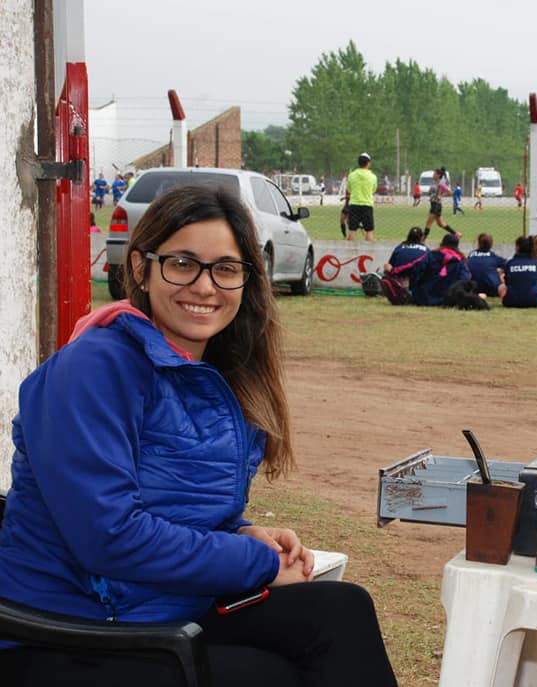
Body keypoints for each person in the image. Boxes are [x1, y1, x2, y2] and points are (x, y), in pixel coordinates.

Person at [0, 184, 397, 686]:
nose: (205, 287)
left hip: (159, 609)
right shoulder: (94, 367)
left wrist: (240, 532)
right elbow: (109, 538)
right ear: (141, 268)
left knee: (341, 611)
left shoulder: (214, 374)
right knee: (271, 676)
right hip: (66, 632)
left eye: (225, 269)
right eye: (183, 263)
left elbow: (176, 505)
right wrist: (255, 561)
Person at [399, 232, 471, 306]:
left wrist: (413, 287)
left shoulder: (430, 255)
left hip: (423, 297)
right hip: (447, 299)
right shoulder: (460, 261)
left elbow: (416, 269)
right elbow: (465, 279)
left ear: (442, 243)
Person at [499, 235, 537, 307]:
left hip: (510, 302)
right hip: (534, 301)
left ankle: (508, 299)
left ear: (517, 247)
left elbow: (507, 282)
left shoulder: (510, 263)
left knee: (501, 287)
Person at [346, 153, 377, 241]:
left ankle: (349, 249)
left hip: (354, 205)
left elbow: (349, 189)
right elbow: (373, 190)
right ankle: (369, 249)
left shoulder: (351, 175)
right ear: (368, 163)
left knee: (352, 230)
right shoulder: (373, 177)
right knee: (369, 231)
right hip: (367, 205)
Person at [467, 233, 507, 297]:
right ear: (491, 245)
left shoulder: (471, 255)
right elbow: (507, 265)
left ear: (478, 243)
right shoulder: (493, 257)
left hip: (474, 288)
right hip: (492, 289)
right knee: (502, 274)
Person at [424, 167, 459, 239]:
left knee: (428, 223)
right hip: (434, 204)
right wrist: (430, 192)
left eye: (434, 174)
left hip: (436, 206)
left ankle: (422, 240)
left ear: (438, 175)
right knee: (441, 224)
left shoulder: (441, 184)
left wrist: (441, 196)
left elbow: (450, 192)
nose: (433, 175)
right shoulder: (435, 183)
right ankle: (456, 234)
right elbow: (431, 193)